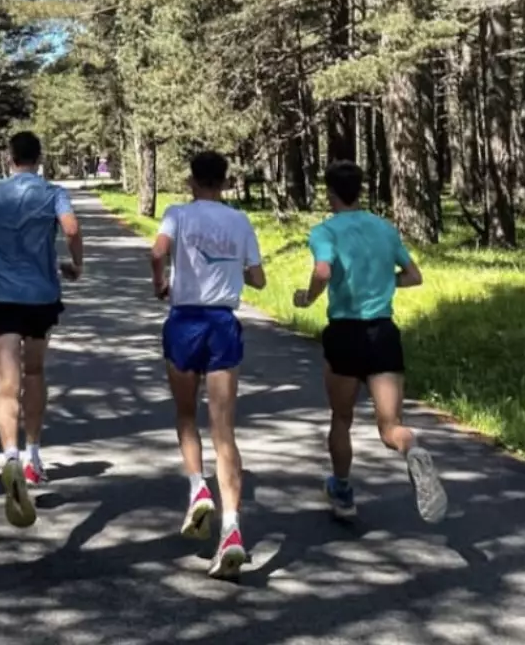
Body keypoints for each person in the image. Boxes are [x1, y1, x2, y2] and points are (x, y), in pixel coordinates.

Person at [292, 159, 447, 524]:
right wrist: (381, 282)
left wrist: (309, 296)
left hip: (345, 333)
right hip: (383, 333)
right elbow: (413, 276)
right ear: (359, 191)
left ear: (330, 192)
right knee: (390, 425)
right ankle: (411, 449)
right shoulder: (384, 228)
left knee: (341, 418)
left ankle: (343, 491)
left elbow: (323, 270)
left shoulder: (325, 232)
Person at [0, 131, 83, 528]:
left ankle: (9, 456)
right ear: (39, 158)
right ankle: (33, 457)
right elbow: (73, 229)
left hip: (2, 298)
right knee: (36, 373)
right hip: (42, 297)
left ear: (9, 158)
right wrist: (75, 265)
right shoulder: (53, 192)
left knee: (6, 384)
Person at [150, 151, 266, 581]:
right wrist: (236, 270)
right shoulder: (239, 221)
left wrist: (160, 283)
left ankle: (198, 487)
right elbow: (258, 278)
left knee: (185, 414)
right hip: (222, 324)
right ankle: (233, 530)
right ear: (225, 181)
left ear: (192, 180)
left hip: (184, 322)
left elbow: (157, 252)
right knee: (225, 429)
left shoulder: (177, 214)